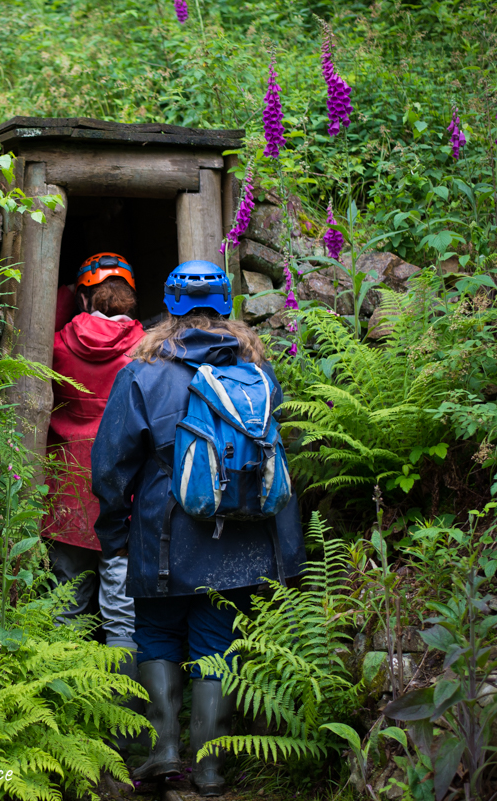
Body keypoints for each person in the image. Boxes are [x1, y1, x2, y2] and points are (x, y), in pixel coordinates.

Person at [90, 260, 304, 797]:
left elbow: (110, 466)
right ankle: (209, 767)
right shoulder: (258, 373)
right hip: (241, 536)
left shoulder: (143, 370)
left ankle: (163, 751)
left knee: (157, 633)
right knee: (218, 640)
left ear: (169, 304)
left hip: (163, 531)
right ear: (227, 303)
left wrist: (114, 534)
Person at [42, 253, 144, 663]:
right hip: (125, 493)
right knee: (122, 612)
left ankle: (63, 707)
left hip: (67, 490)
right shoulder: (145, 349)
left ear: (85, 299)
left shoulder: (56, 345)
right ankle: (125, 718)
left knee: (66, 604)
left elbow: (36, 322)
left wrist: (67, 294)